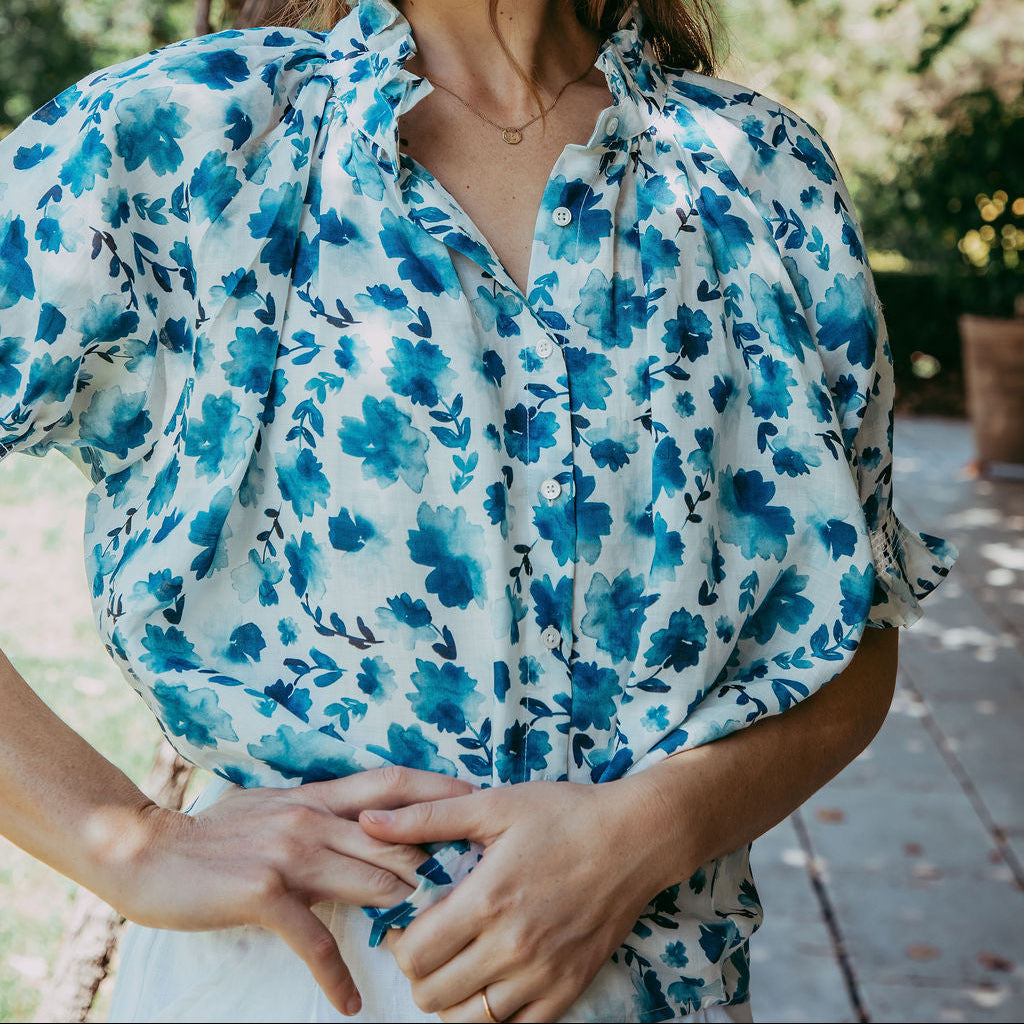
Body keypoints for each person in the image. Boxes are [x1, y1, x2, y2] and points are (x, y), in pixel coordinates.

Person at [0, 0, 958, 1021]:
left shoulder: (760, 173)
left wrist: (644, 833)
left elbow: (856, 631)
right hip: (292, 981)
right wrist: (134, 839)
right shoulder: (180, 138)